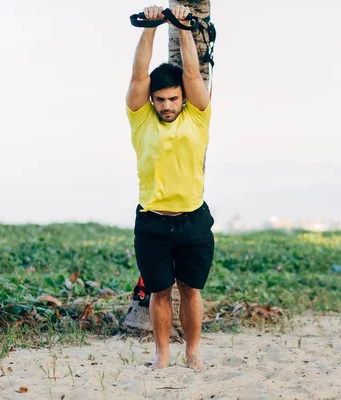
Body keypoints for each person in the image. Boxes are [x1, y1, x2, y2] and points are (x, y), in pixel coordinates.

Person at [125, 4, 214, 370]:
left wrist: (180, 25)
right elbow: (138, 74)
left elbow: (192, 70)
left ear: (183, 97)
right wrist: (150, 25)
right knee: (160, 292)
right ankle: (162, 355)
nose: (167, 105)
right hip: (153, 221)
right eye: (160, 99)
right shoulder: (141, 119)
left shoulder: (197, 114)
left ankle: (192, 353)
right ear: (151, 100)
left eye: (173, 98)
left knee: (190, 291)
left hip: (193, 219)